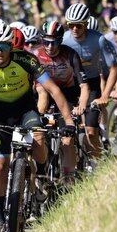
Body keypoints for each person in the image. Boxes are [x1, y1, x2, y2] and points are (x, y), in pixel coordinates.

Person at [0, 19, 75, 232]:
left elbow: (53, 89)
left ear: (11, 45)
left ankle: (39, 174)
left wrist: (68, 121)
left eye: (4, 46)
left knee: (39, 139)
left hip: (26, 111)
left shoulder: (26, 60)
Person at [60, 3, 117, 161]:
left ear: (86, 24)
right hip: (71, 85)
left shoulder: (99, 40)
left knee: (91, 131)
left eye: (78, 25)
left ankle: (97, 167)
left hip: (92, 84)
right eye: (71, 25)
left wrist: (105, 95)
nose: (74, 29)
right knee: (66, 132)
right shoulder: (64, 40)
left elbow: (114, 68)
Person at [31, 20, 85, 182]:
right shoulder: (35, 55)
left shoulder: (70, 54)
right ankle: (40, 173)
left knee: (67, 138)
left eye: (54, 42)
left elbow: (84, 85)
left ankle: (69, 178)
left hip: (67, 94)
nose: (50, 46)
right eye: (46, 42)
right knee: (37, 133)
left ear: (60, 41)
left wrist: (81, 104)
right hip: (43, 93)